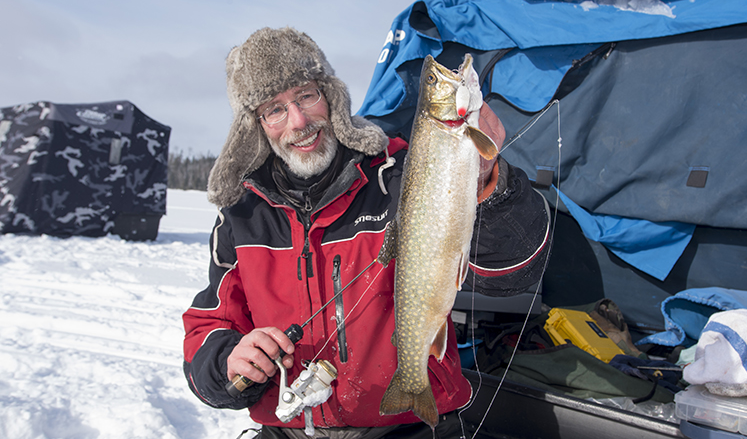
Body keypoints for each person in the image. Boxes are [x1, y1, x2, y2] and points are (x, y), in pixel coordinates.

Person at [182, 27, 551, 439]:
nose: (299, 121)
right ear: (257, 125)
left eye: (306, 95)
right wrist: (228, 359)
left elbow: (511, 272)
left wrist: (487, 184)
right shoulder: (241, 214)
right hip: (289, 430)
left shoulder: (397, 176)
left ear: (331, 96)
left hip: (412, 428)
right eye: (275, 109)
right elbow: (208, 326)